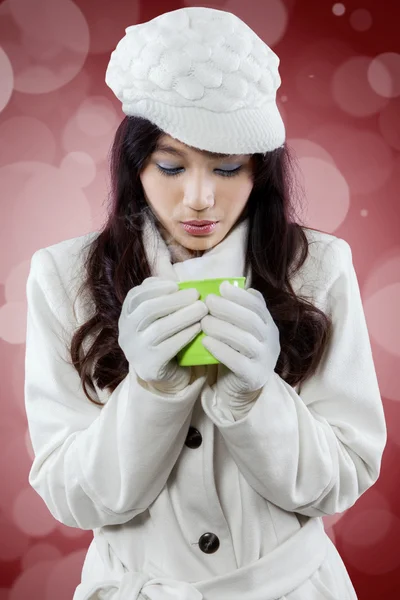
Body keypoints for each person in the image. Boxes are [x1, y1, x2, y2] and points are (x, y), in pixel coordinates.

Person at [23, 6, 387, 600]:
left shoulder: (318, 267)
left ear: (260, 171)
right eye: (170, 165)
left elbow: (343, 477)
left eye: (227, 169)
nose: (199, 198)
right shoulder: (64, 278)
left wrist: (257, 398)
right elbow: (72, 496)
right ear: (132, 164)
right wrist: (150, 395)